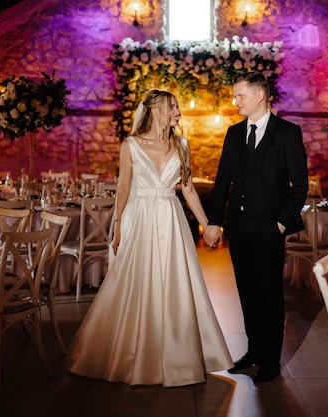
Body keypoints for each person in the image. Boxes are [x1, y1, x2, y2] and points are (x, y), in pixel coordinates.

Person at [64, 89, 233, 387]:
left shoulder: (181, 145)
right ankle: (129, 355)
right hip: (138, 218)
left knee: (174, 284)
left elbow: (189, 189)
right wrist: (117, 228)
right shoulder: (129, 145)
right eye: (173, 108)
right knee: (134, 282)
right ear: (155, 110)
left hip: (170, 217)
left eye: (177, 109)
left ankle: (176, 355)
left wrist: (208, 225)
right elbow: (124, 188)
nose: (178, 114)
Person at [203, 71, 307, 383]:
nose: (235, 101)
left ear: (260, 95)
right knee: (247, 293)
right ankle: (254, 352)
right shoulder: (234, 133)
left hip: (268, 228)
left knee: (270, 294)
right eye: (235, 96)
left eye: (241, 96)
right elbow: (223, 181)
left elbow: (298, 186)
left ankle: (271, 360)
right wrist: (214, 222)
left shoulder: (288, 133)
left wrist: (280, 224)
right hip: (238, 226)